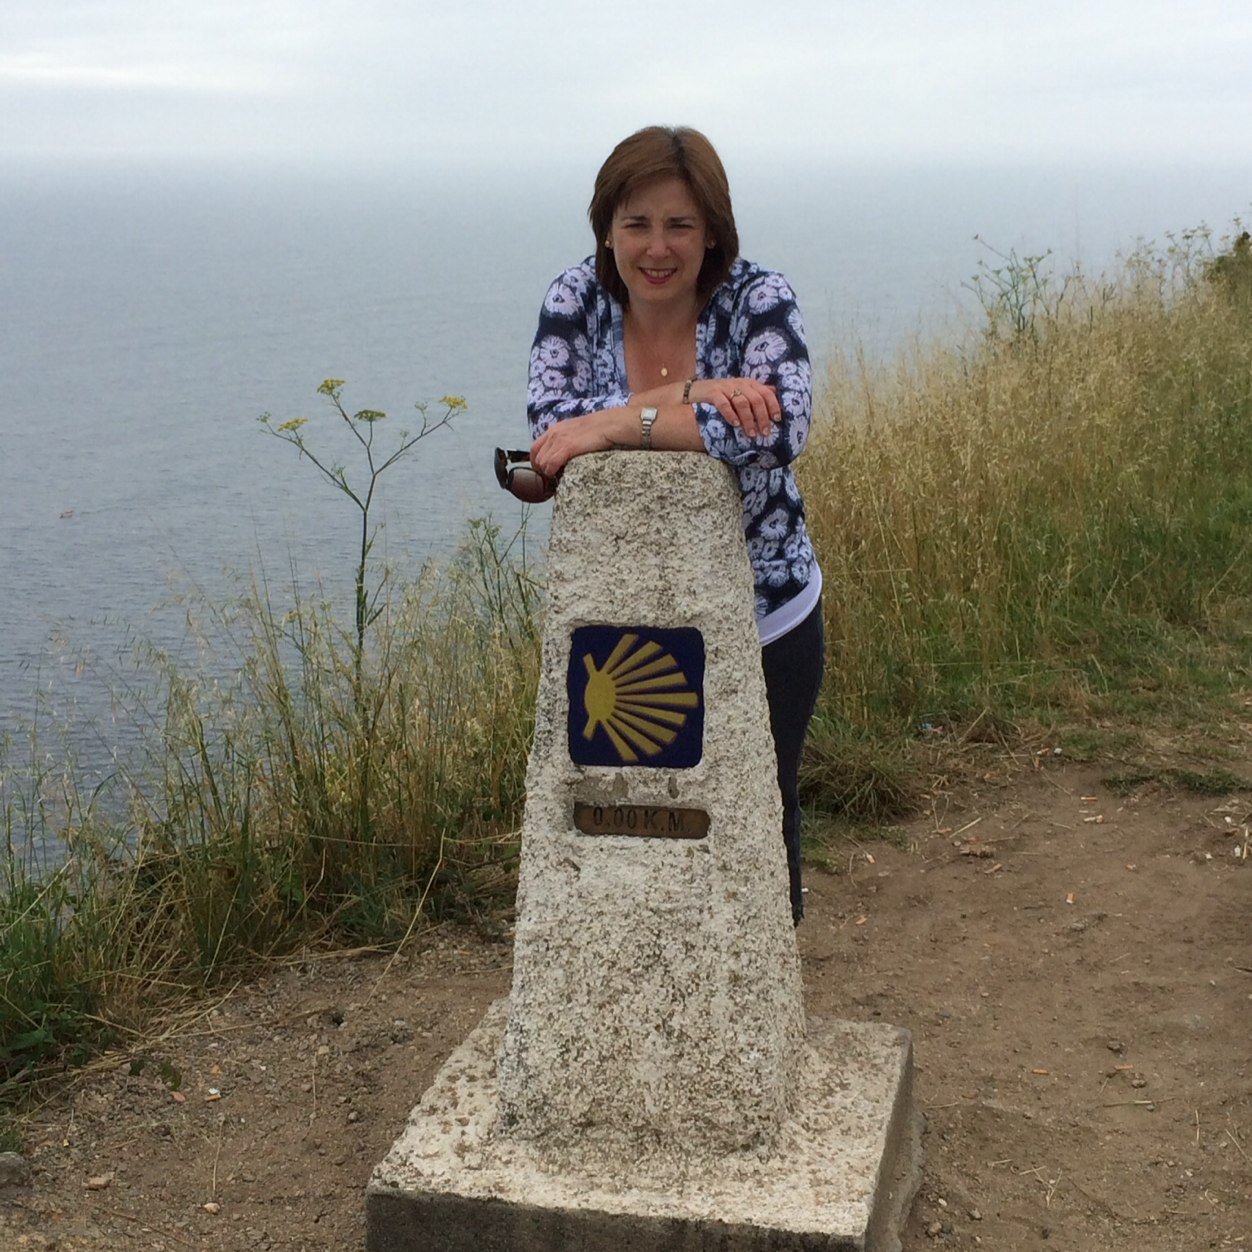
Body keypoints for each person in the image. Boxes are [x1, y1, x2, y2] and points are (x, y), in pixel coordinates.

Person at [525, 125, 824, 925]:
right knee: (624, 824)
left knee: (763, 807)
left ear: (714, 231)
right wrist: (695, 394)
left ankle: (764, 994)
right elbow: (552, 435)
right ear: (607, 228)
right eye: (637, 224)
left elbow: (782, 430)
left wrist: (625, 421)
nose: (657, 248)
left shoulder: (759, 298)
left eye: (680, 225)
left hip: (767, 613)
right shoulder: (575, 301)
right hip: (620, 626)